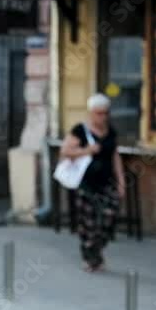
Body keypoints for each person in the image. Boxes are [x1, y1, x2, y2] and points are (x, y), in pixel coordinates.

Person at [60, 93, 124, 273]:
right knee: (88, 223)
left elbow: (115, 155)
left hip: (107, 182)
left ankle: (97, 250)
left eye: (105, 113)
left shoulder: (110, 131)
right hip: (86, 184)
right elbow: (65, 151)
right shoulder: (80, 130)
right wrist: (87, 150)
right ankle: (90, 258)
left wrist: (121, 181)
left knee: (109, 216)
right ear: (91, 113)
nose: (103, 117)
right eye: (99, 113)